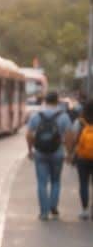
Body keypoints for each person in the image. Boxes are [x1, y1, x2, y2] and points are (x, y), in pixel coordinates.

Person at [26, 91, 73, 221]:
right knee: (56, 181)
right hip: (57, 153)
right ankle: (53, 206)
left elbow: (29, 134)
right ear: (57, 101)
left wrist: (30, 150)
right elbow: (69, 136)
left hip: (40, 153)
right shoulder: (64, 116)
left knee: (42, 182)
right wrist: (69, 153)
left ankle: (43, 212)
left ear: (45, 101)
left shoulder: (36, 116)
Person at [66, 99, 93, 220]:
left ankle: (84, 210)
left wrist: (70, 153)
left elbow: (73, 138)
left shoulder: (79, 122)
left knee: (83, 183)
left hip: (82, 157)